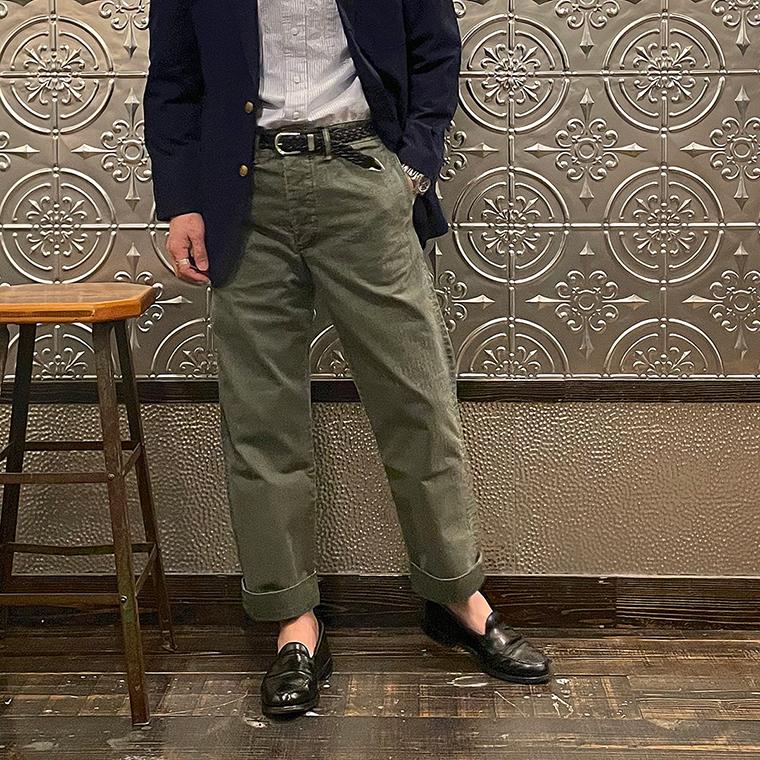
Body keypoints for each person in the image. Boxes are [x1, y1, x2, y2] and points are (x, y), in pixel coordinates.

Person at [143, 0, 552, 718]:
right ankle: (293, 621)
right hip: (243, 191)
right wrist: (181, 202)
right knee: (261, 419)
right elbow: (175, 80)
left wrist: (413, 168)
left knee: (417, 402)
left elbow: (435, 52)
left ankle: (457, 597)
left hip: (362, 173)